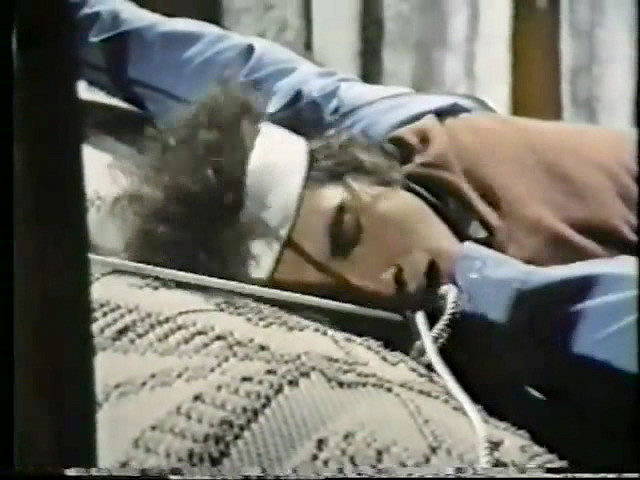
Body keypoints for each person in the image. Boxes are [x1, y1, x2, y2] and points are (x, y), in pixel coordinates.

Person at [74, 0, 638, 470]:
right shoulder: (415, 341)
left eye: (348, 233)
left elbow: (230, 73)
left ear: (377, 169)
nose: (380, 282)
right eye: (336, 300)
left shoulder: (438, 143)